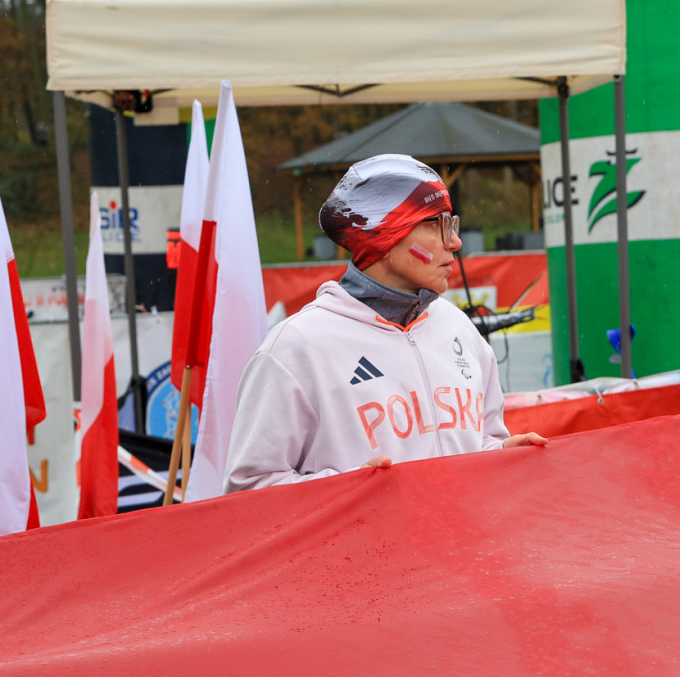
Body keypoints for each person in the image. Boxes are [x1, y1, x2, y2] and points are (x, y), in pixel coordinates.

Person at [223, 154, 546, 493]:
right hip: (360, 548)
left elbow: (477, 442)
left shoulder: (458, 327)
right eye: (436, 224)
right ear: (385, 236)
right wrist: (348, 490)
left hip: (462, 545)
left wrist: (502, 454)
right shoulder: (296, 347)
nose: (455, 242)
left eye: (452, 223)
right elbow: (248, 491)